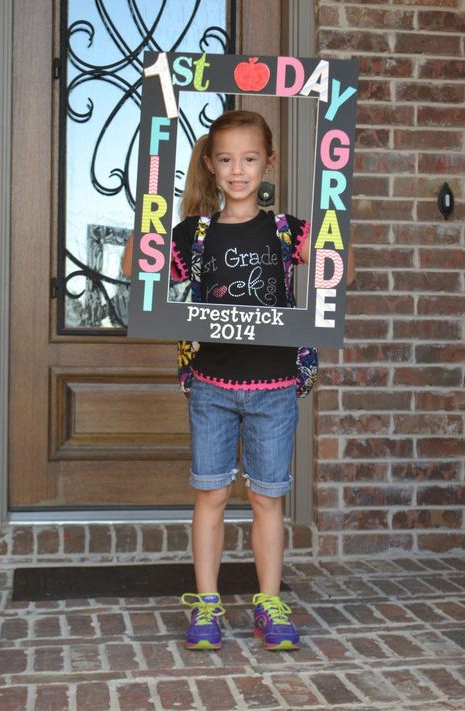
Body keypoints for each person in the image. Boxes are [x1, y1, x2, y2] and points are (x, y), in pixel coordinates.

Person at [124, 110, 355, 652]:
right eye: (226, 160)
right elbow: (141, 265)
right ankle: (206, 605)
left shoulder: (286, 230)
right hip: (212, 384)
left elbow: (336, 269)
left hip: (274, 388)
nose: (237, 170)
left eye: (249, 159)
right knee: (210, 495)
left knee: (267, 499)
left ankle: (269, 602)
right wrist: (149, 221)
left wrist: (331, 240)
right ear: (210, 164)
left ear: (267, 163)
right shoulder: (194, 235)